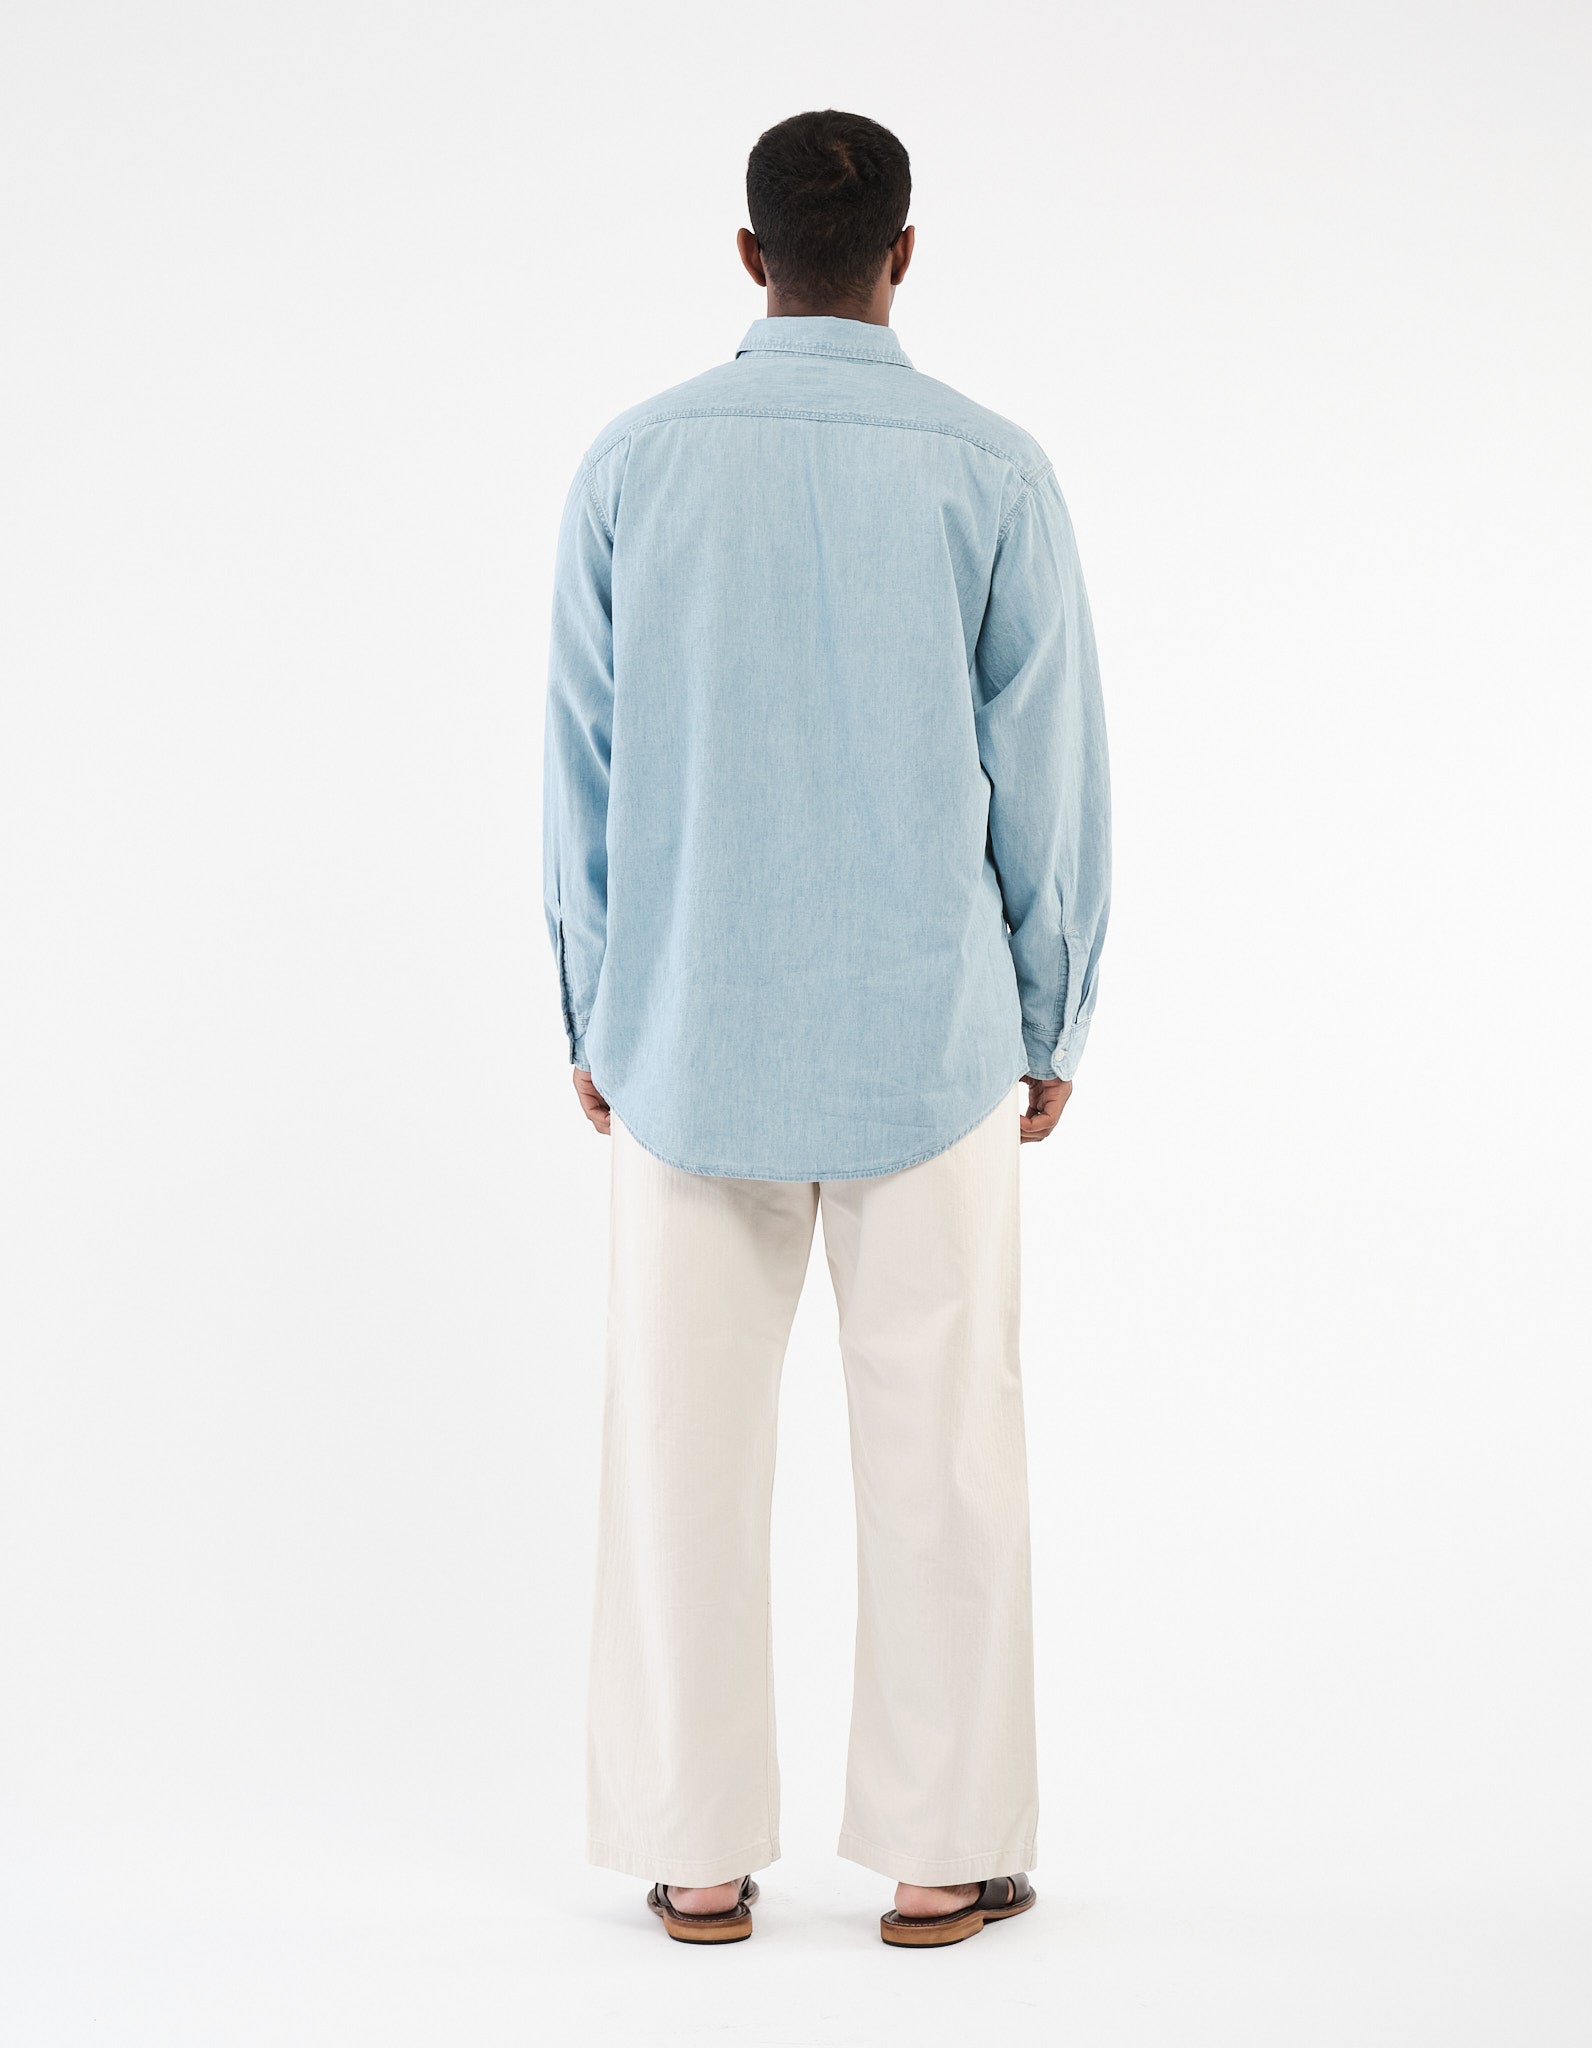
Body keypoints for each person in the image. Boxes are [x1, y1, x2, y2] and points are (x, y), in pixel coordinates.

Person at [543, 108, 1110, 1948]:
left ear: (747, 255)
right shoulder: (991, 470)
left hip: (684, 1031)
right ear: (904, 256)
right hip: (927, 1040)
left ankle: (695, 1855)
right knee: (944, 1449)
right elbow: (1046, 772)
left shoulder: (633, 464)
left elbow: (584, 764)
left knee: (676, 1455)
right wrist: (1049, 1012)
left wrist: (591, 1001)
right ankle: (940, 1856)